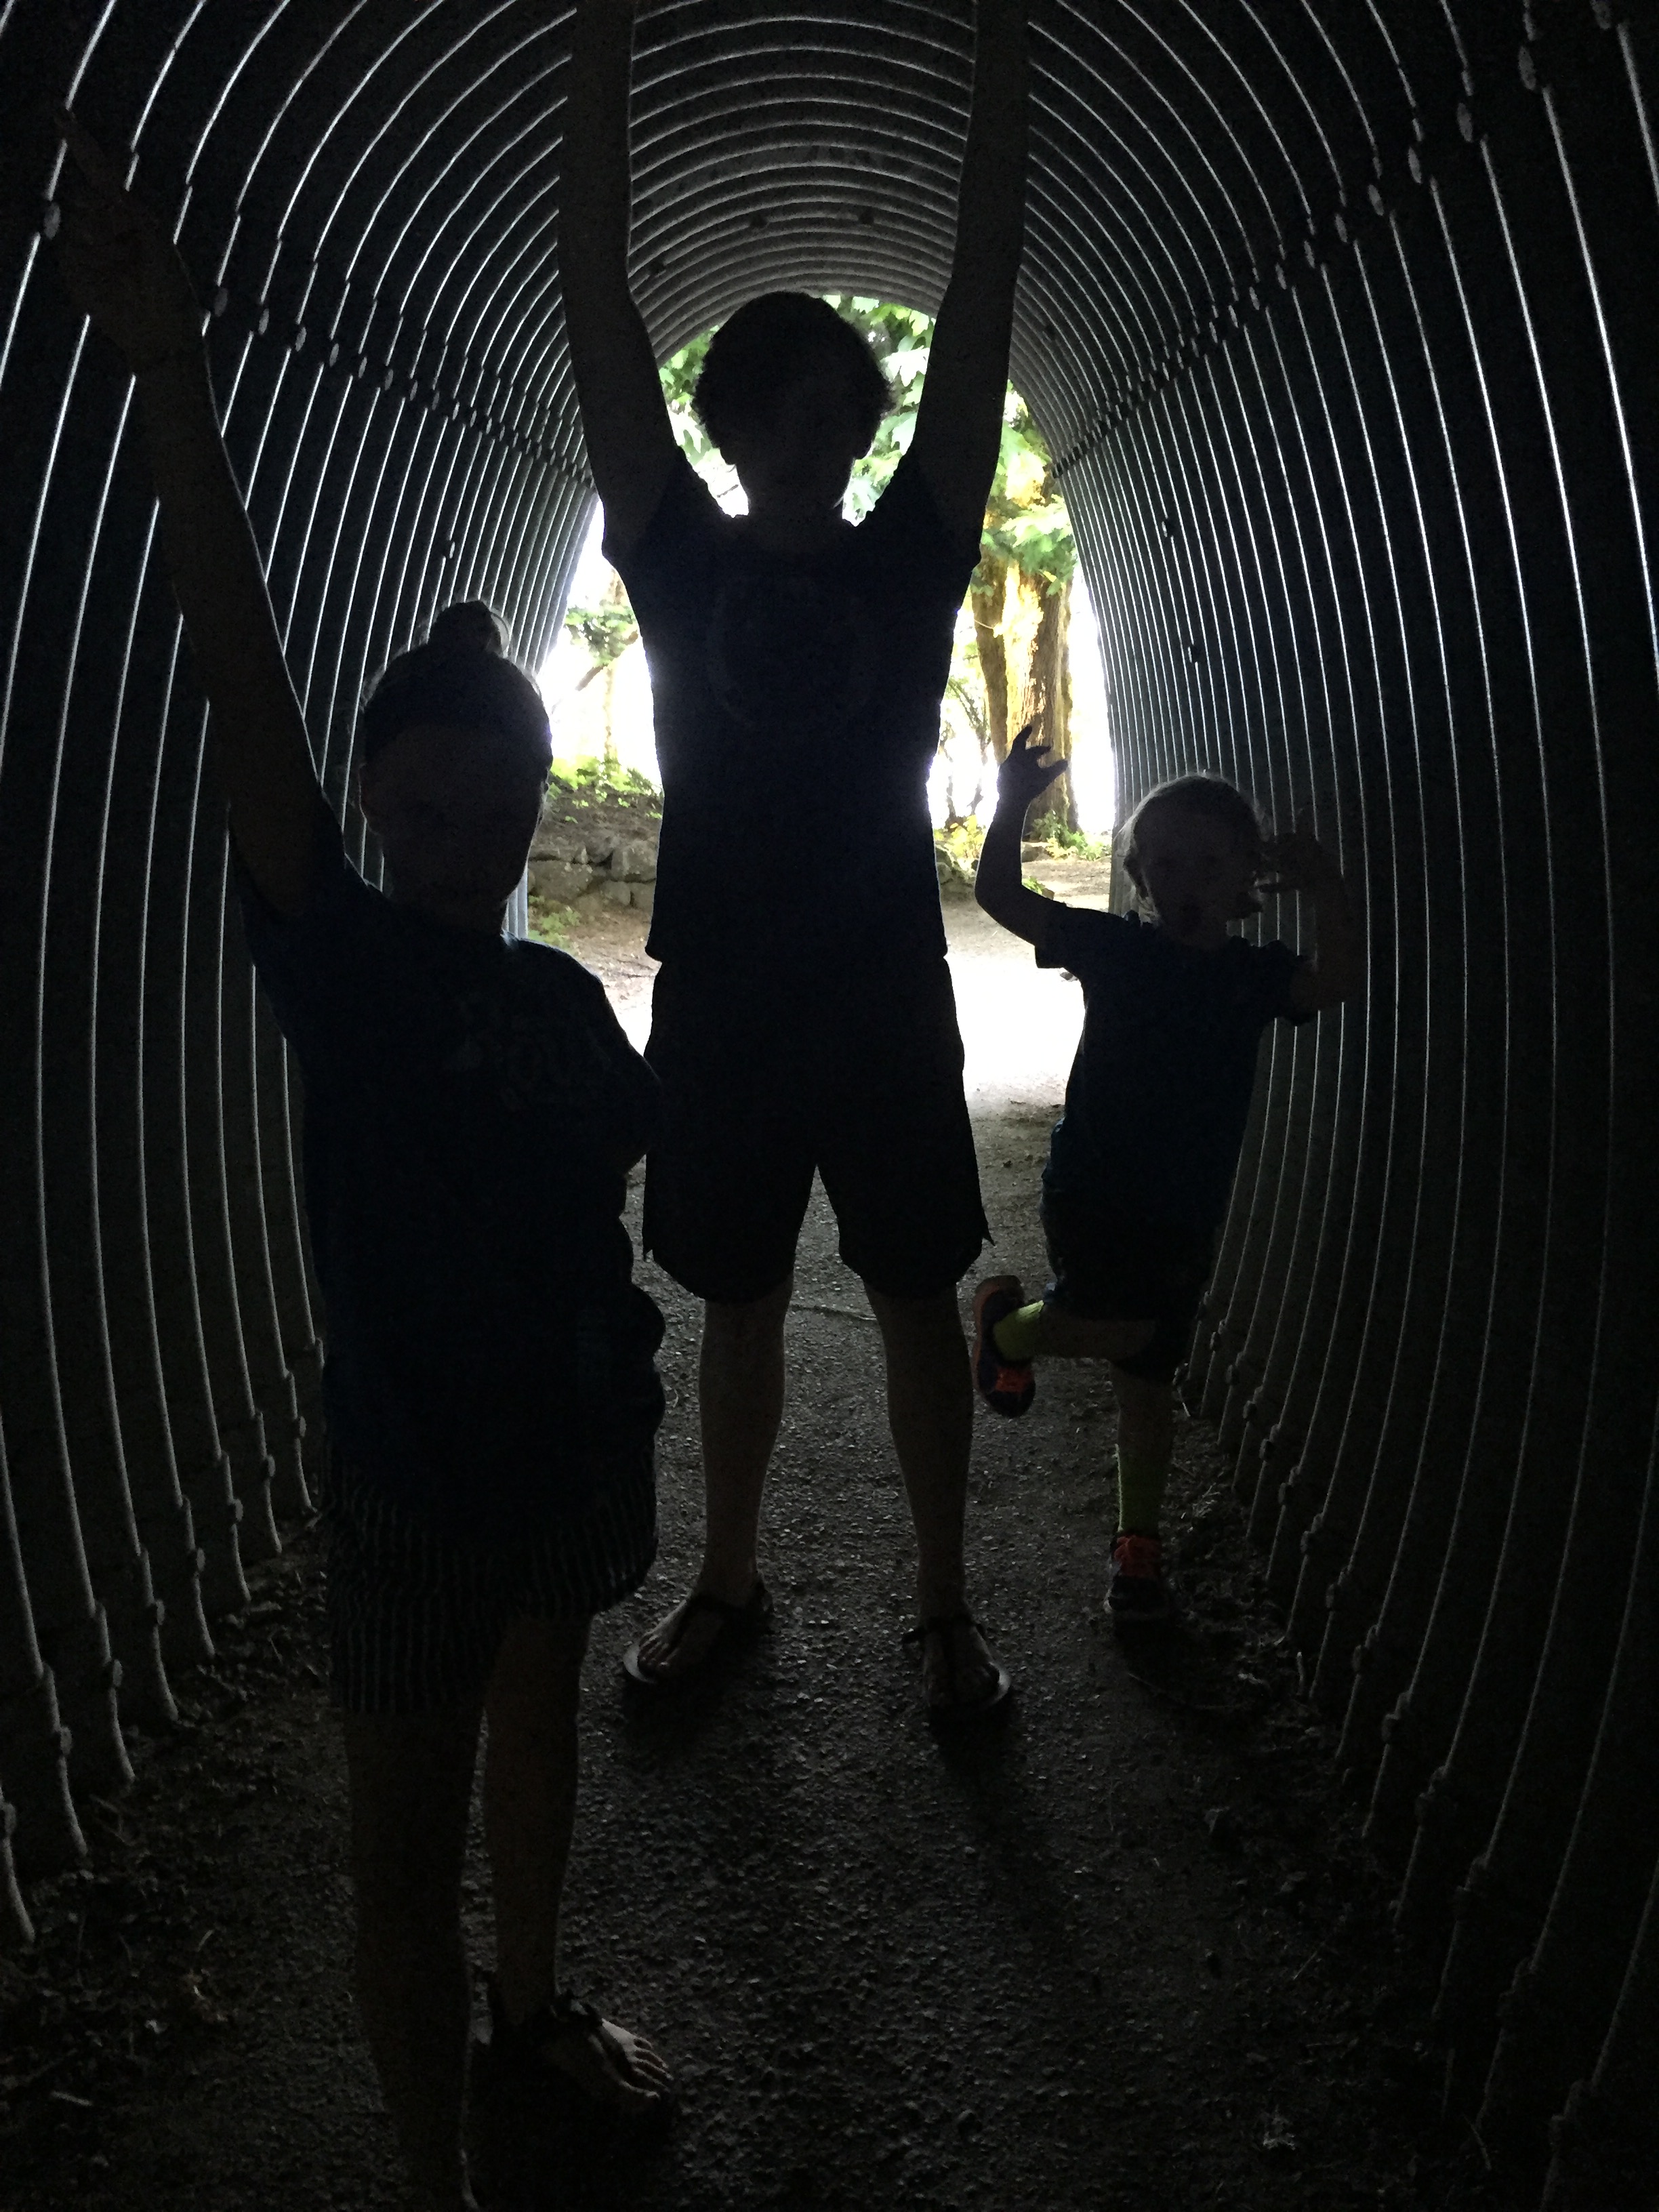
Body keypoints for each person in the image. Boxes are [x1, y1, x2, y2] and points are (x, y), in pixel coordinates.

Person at [54, 116, 673, 2212]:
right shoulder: (338, 955)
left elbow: (628, 1178)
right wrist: (169, 376)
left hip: (554, 1454)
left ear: (527, 809)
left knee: (535, 1717)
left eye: (493, 809)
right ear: (375, 798)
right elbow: (240, 668)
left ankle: (531, 2017)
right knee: (398, 1837)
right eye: (423, 805)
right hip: (409, 1475)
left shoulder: (558, 1003)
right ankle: (436, 2173)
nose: (462, 838)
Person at [558, 0, 1030, 1713]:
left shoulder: (914, 553)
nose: (814, 424)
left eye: (839, 399)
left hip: (882, 986)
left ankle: (944, 1609)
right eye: (784, 398)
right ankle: (729, 1581)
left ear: (865, 419)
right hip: (733, 995)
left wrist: (1005, 56)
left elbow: (982, 296)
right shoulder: (677, 554)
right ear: (733, 420)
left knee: (914, 1297)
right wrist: (597, 44)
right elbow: (595, 301)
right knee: (739, 1303)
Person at [971, 729, 1361, 1623]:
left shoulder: (1254, 977)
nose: (1187, 882)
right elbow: (999, 896)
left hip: (1187, 1207)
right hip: (1095, 1188)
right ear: (1140, 879)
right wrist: (1011, 803)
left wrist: (1327, 886)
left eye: (1210, 864)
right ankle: (1011, 1333)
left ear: (1247, 877)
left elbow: (1339, 978)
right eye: (1166, 864)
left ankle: (1137, 1546)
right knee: (1123, 1328)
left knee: (1148, 1374)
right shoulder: (1115, 948)